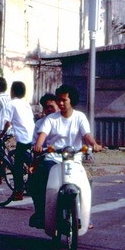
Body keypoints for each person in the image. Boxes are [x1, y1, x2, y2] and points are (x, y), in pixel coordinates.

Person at [29, 84, 103, 228]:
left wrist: (94, 144)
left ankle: (84, 215)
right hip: (53, 159)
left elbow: (86, 135)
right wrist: (38, 145)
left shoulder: (80, 117)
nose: (61, 103)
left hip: (74, 160)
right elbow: (43, 134)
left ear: (72, 101)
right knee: (40, 180)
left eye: (64, 100)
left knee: (86, 182)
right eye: (59, 100)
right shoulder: (51, 119)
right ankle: (42, 213)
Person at [2, 81, 35, 200]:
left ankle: (19, 191)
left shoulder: (11, 104)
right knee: (31, 161)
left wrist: (1, 133)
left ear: (13, 91)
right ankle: (31, 185)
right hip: (32, 135)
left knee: (18, 165)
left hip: (23, 138)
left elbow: (7, 122)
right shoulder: (26, 103)